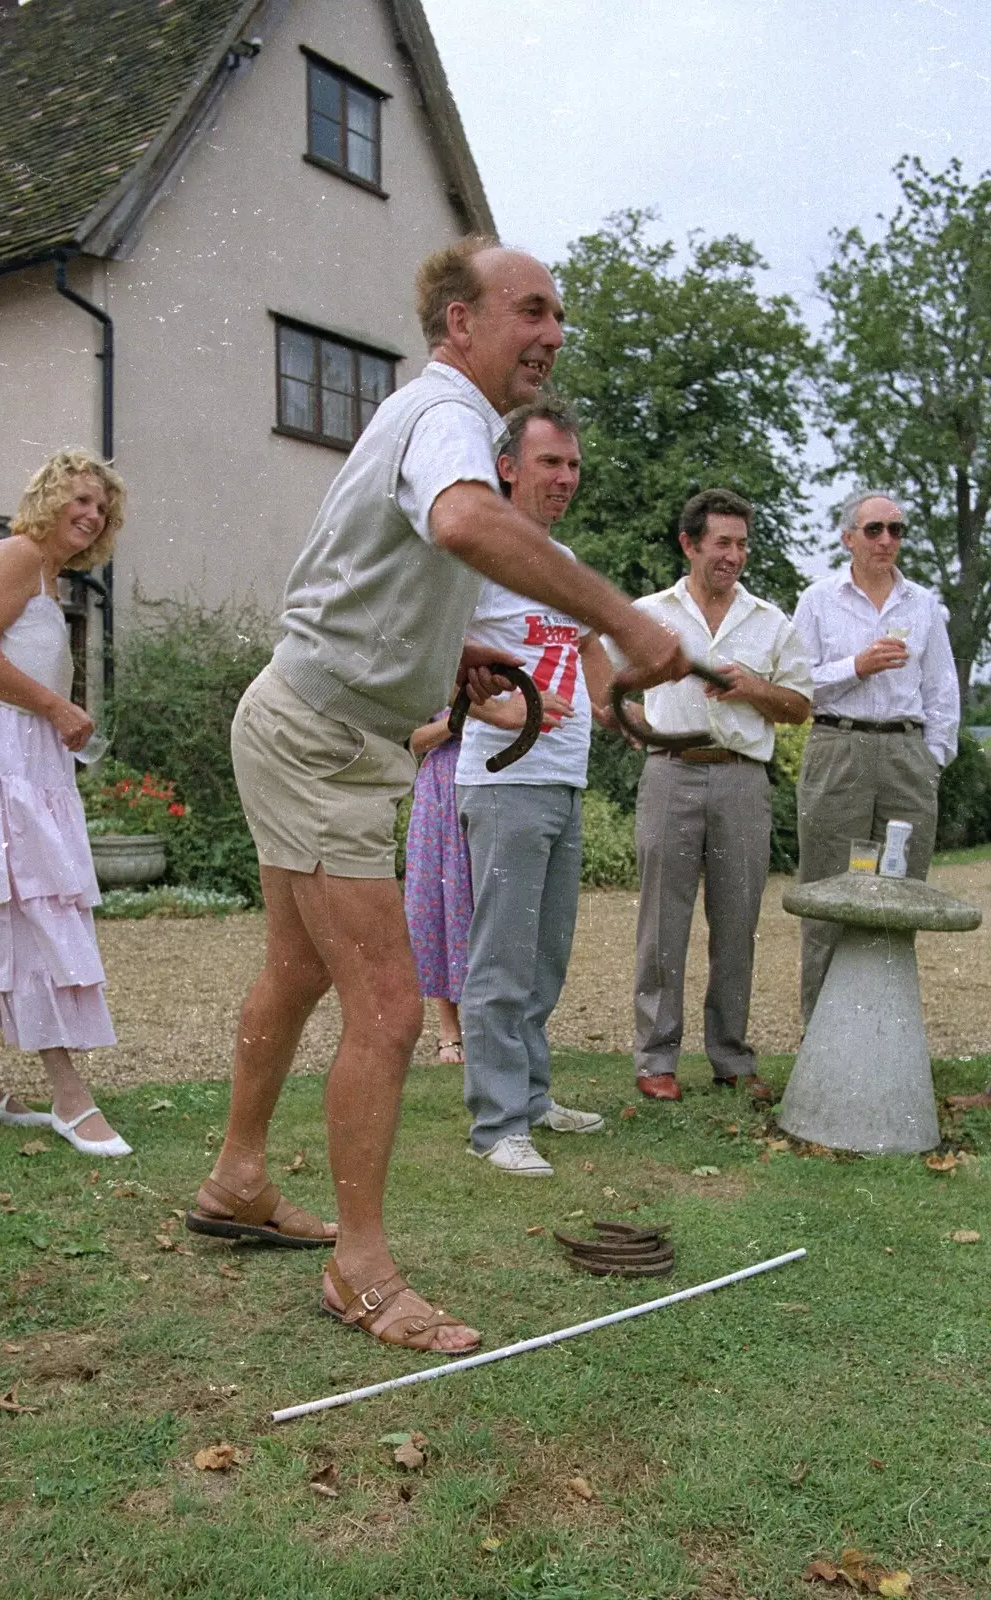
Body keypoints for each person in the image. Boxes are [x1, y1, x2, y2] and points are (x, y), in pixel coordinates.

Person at [184, 236, 691, 1355]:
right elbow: (463, 520)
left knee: (297, 967)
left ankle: (237, 1177)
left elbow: (388, 564)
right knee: (392, 1007)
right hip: (318, 740)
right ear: (461, 323)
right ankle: (358, 1270)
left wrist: (445, 661)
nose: (554, 334)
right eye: (532, 311)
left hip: (318, 722)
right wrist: (623, 616)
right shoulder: (450, 418)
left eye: (559, 318)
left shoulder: (424, 416)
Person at [0, 449, 131, 1158]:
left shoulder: (48, 573)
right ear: (47, 498)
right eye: (78, 499)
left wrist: (49, 716)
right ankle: (69, 1097)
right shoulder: (16, 554)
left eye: (100, 508)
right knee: (25, 905)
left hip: (15, 750)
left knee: (1, 901)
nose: (90, 514)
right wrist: (55, 706)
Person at [458, 397, 615, 1175]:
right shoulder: (478, 558)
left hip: (562, 778)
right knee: (501, 954)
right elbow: (438, 654)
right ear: (509, 467)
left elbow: (586, 649)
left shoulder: (563, 566)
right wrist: (499, 703)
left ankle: (531, 1097)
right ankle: (494, 1125)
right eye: (550, 462)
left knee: (545, 953)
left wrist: (616, 701)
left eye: (573, 465)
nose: (564, 477)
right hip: (503, 780)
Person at [621, 489, 812, 1104]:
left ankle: (731, 1056)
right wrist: (630, 722)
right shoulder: (648, 613)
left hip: (741, 779)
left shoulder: (769, 621)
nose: (734, 555)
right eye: (722, 542)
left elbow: (800, 705)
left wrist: (754, 688)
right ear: (690, 544)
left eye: (741, 544)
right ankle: (656, 1058)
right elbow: (604, 679)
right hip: (670, 771)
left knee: (738, 922)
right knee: (661, 923)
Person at [793, 490, 960, 1024]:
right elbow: (796, 689)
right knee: (826, 896)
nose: (886, 539)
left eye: (896, 529)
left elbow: (943, 693)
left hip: (906, 755)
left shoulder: (924, 606)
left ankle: (886, 1038)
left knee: (900, 896)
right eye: (874, 530)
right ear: (848, 538)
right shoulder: (818, 600)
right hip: (837, 746)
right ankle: (820, 1040)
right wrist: (856, 666)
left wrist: (930, 759)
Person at [403, 711, 473, 1065]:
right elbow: (410, 740)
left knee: (484, 899)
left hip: (496, 778)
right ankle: (449, 1028)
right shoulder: (432, 674)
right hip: (441, 789)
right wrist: (456, 721)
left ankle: (493, 1026)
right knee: (437, 900)